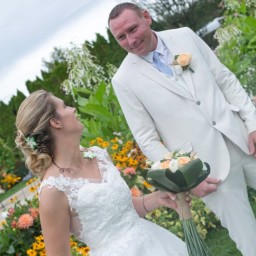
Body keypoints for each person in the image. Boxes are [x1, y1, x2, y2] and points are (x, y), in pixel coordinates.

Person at [108, 2, 256, 256]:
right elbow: (147, 139)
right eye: (121, 37)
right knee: (249, 239)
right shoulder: (123, 81)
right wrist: (189, 178)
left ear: (147, 17)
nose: (130, 41)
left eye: (133, 29)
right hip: (208, 172)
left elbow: (225, 79)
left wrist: (253, 124)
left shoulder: (185, 35)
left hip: (244, 138)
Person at [15, 90, 191, 256]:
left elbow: (123, 212)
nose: (73, 109)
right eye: (65, 106)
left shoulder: (98, 155)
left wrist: (158, 198)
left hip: (154, 243)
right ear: (55, 122)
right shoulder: (53, 190)